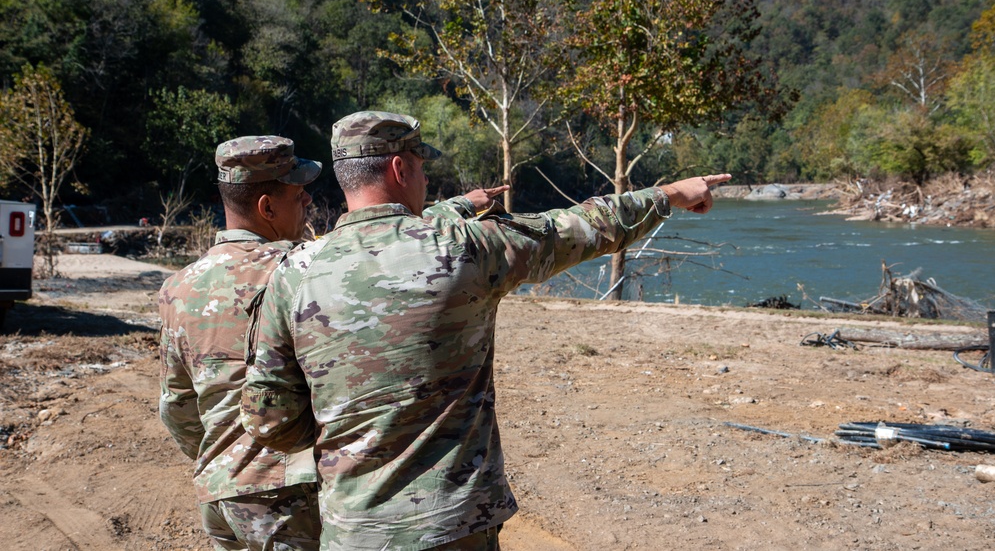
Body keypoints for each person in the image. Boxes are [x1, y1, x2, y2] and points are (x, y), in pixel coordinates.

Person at [240, 111, 730, 551]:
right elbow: (581, 226)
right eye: (421, 164)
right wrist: (669, 195)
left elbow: (271, 422)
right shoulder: (463, 247)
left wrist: (349, 430)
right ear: (400, 169)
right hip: (454, 525)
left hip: (352, 529)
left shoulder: (292, 272)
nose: (425, 176)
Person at [160, 134, 507, 551]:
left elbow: (178, 406)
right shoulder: (299, 269)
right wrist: (460, 207)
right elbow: (384, 237)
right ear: (266, 207)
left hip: (220, 496)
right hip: (288, 494)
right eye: (298, 194)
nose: (308, 202)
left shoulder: (177, 288)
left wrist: (223, 459)